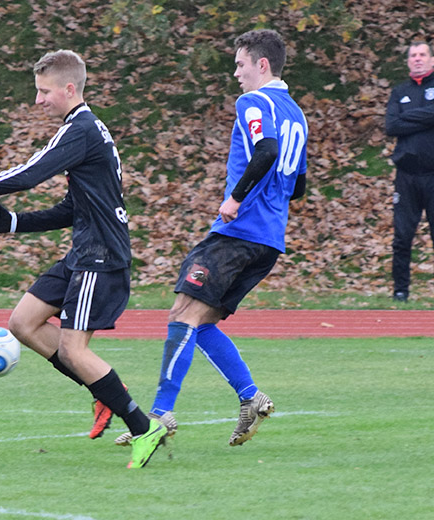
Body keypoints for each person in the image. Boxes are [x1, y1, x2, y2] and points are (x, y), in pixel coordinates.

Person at [0, 49, 167, 468]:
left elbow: (28, 173)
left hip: (101, 256)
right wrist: (12, 223)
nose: (38, 101)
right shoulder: (85, 130)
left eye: (43, 91)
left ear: (69, 89)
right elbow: (72, 209)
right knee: (23, 323)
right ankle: (104, 390)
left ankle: (144, 427)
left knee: (74, 349)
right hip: (84, 250)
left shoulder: (82, 129)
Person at [114, 29, 307, 448]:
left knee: (182, 314)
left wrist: (236, 199)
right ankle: (250, 397)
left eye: (240, 64)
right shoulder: (296, 112)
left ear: (262, 65)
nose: (235, 73)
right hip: (270, 239)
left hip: (240, 232)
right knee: (198, 323)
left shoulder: (254, 102)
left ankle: (160, 415)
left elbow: (267, 150)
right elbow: (300, 183)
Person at [385, 41, 434, 302]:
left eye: (422, 55)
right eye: (413, 55)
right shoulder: (399, 91)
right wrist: (427, 115)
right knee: (402, 238)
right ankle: (400, 293)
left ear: (433, 60)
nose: (417, 59)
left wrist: (409, 118)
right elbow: (391, 126)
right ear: (407, 61)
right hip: (406, 175)